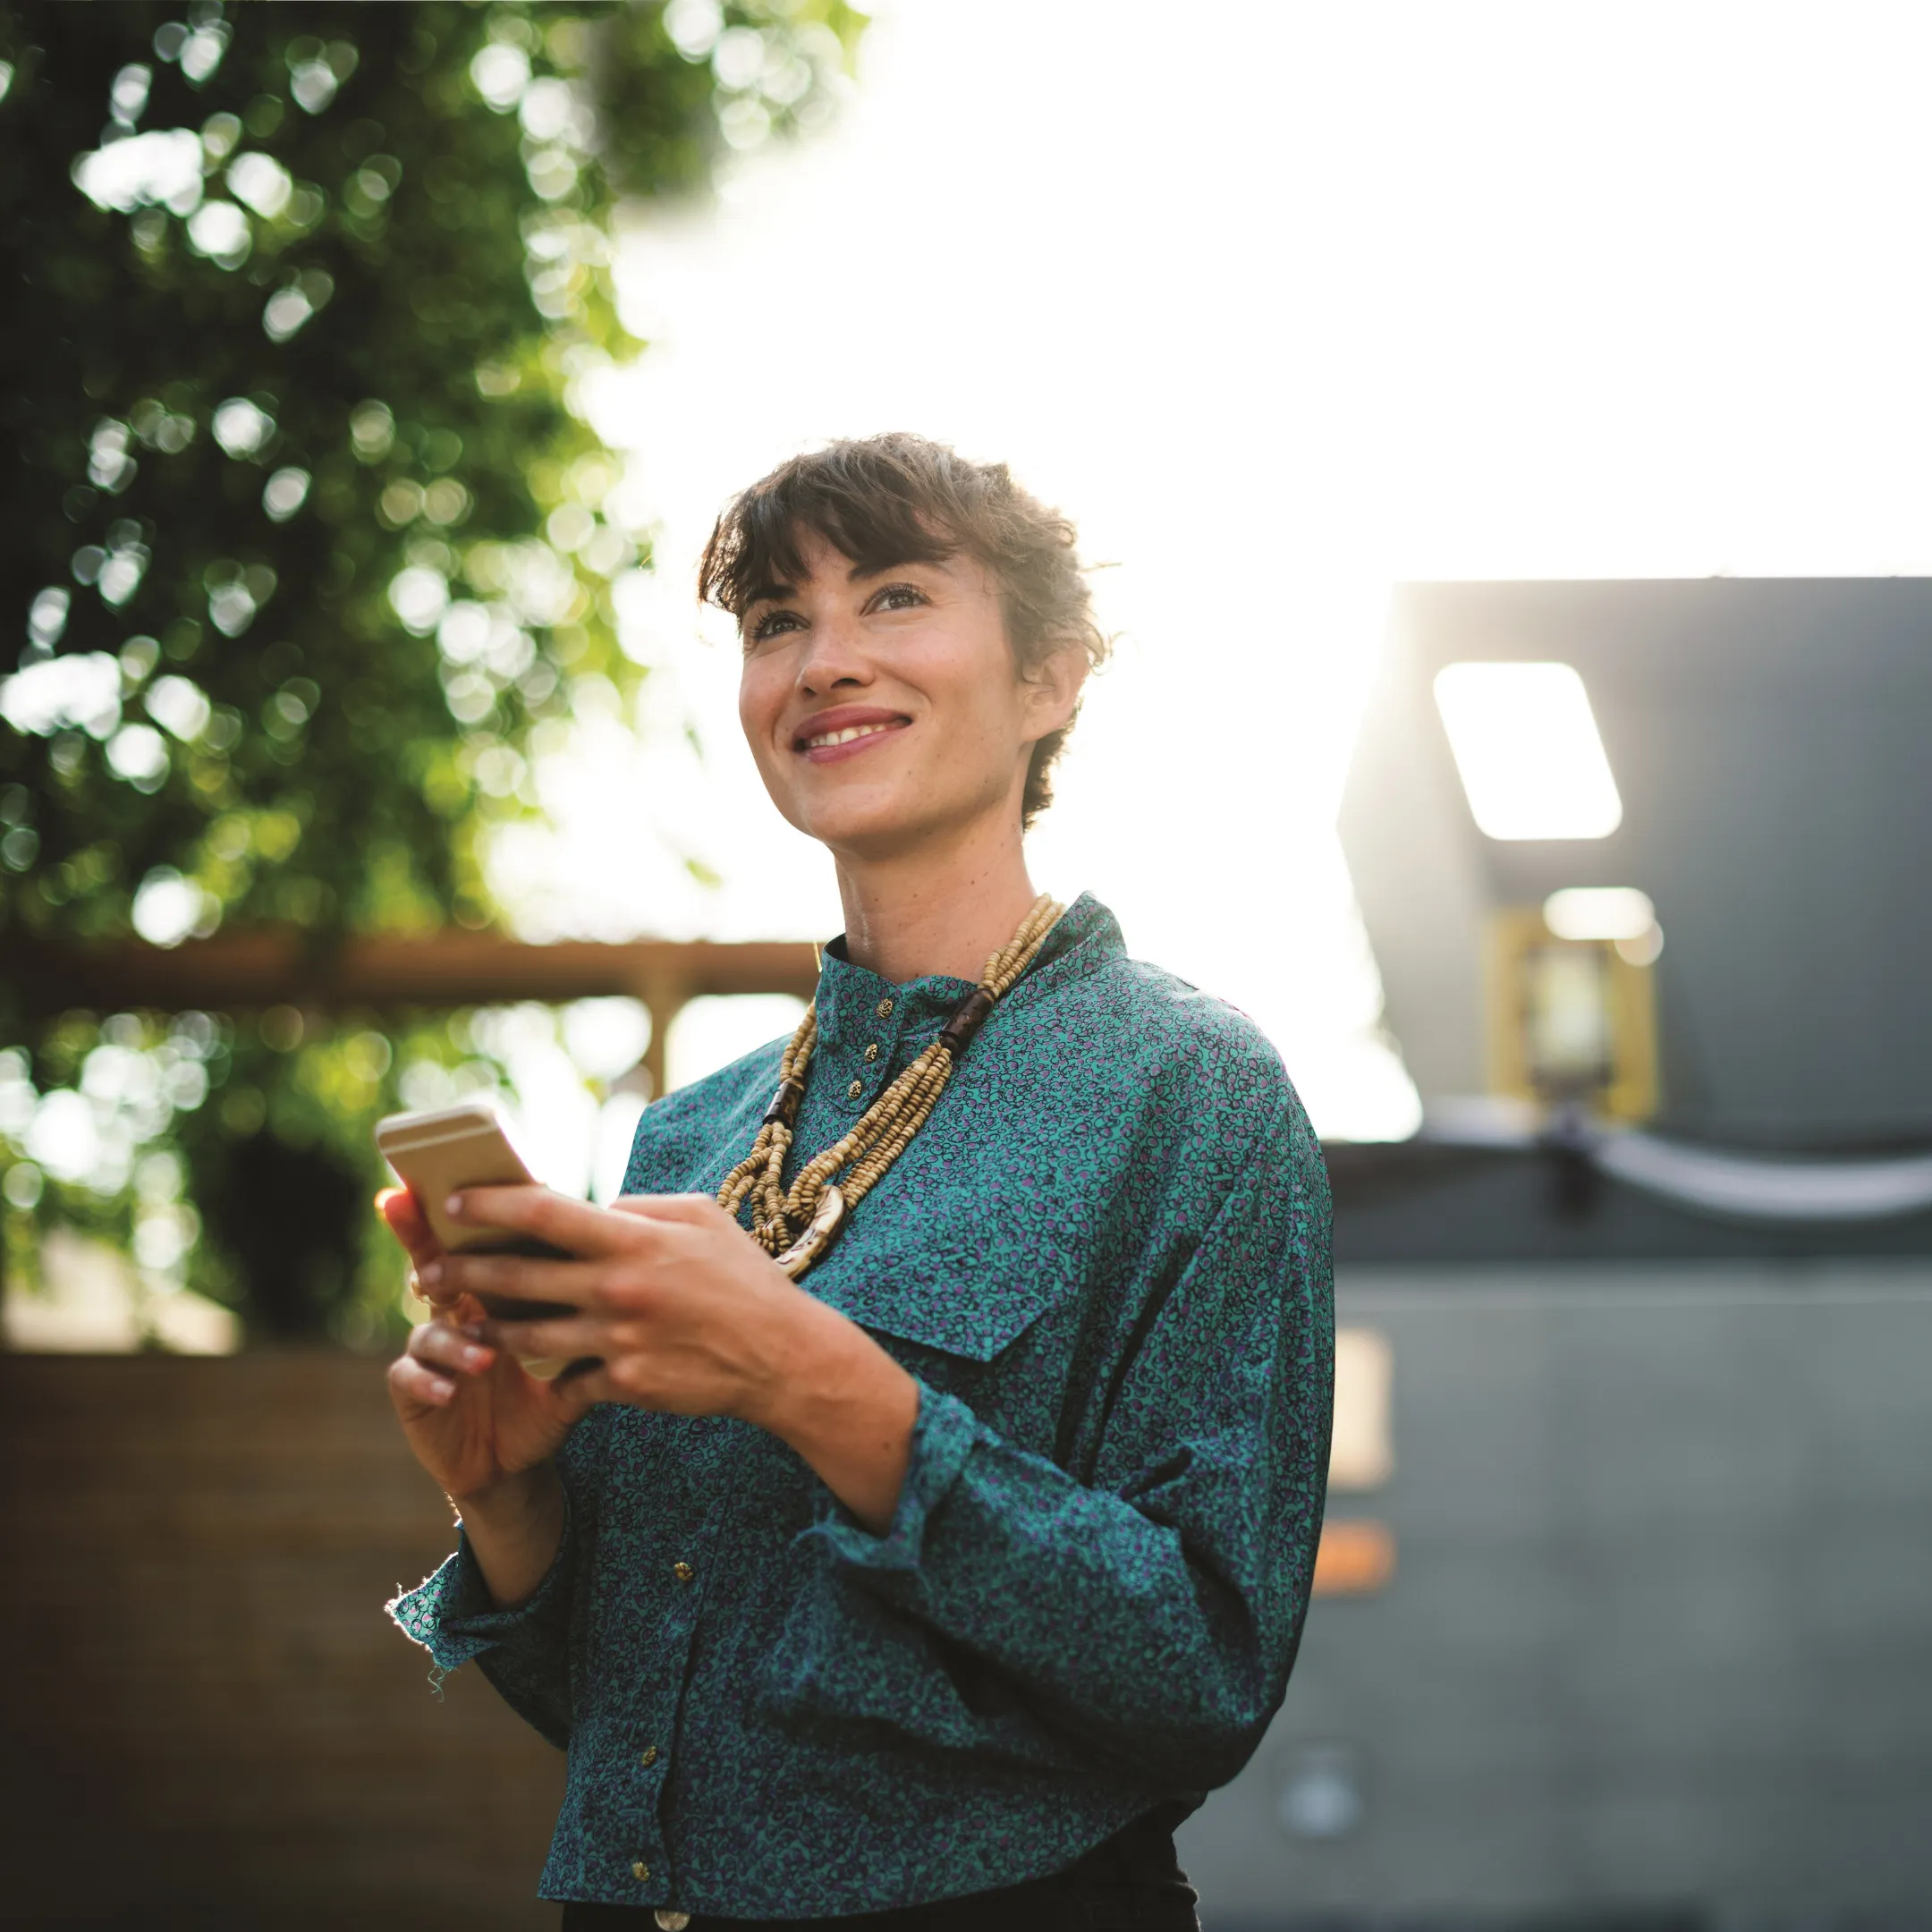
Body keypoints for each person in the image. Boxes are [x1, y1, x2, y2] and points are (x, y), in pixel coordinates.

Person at [385, 433, 1334, 1931]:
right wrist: (505, 1500)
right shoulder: (686, 1140)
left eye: (893, 597)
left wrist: (804, 1374)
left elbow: (1204, 1674)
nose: (823, 660)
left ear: (1049, 680)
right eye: (776, 621)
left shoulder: (1192, 1094)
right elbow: (623, 1719)